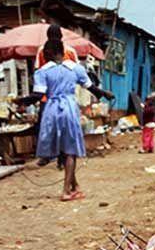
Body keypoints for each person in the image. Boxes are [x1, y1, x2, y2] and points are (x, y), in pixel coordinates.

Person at [32, 39, 113, 201]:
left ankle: (74, 185)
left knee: (63, 149)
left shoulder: (42, 72)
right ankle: (66, 191)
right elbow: (91, 87)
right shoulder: (75, 68)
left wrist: (21, 101)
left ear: (47, 54)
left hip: (51, 109)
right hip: (68, 108)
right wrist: (104, 94)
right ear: (62, 51)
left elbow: (36, 95)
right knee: (71, 151)